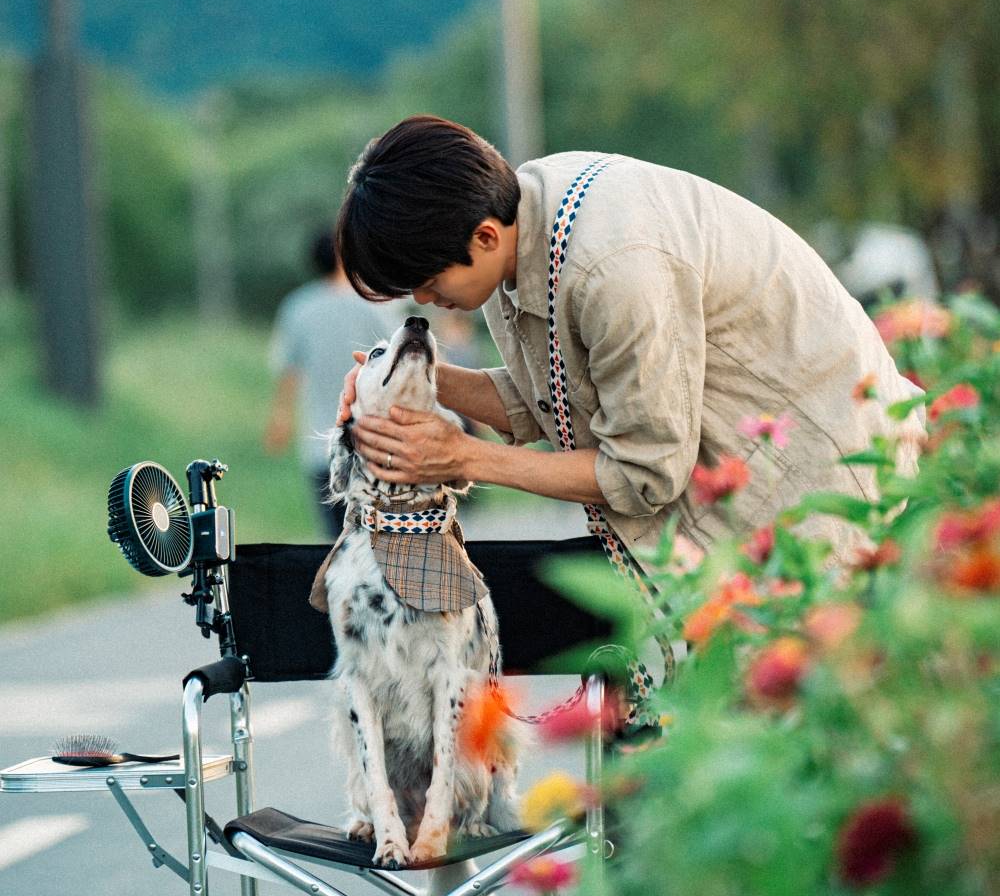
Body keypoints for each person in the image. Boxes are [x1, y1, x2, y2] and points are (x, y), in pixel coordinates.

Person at [334, 116, 923, 567]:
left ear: (484, 236)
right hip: (755, 473)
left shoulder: (609, 266)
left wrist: (465, 457)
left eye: (432, 284)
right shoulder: (518, 227)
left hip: (825, 473)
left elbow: (644, 472)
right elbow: (553, 401)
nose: (429, 302)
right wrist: (411, 378)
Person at [264, 226, 402, 538]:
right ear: (344, 257)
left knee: (335, 538)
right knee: (380, 536)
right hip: (375, 441)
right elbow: (399, 362)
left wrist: (280, 421)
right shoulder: (375, 302)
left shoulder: (297, 308)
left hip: (321, 445)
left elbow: (289, 372)